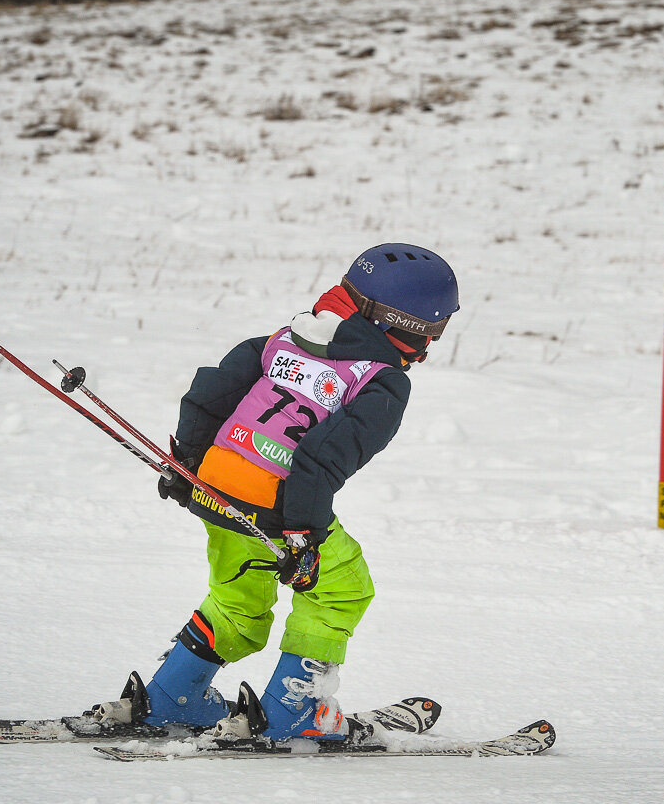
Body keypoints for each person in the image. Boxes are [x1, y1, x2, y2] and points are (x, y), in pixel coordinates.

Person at [93, 244, 459, 742]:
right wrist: (303, 537)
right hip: (275, 505)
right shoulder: (382, 382)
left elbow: (206, 396)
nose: (429, 346)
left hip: (217, 485)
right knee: (341, 589)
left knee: (239, 593)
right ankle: (291, 712)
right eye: (430, 333)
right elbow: (319, 460)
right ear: (399, 326)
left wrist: (188, 467)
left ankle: (173, 695)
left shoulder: (280, 341)